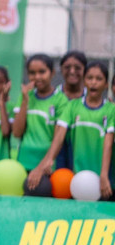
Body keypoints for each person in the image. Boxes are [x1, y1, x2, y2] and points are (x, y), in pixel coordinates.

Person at [37, 60, 113, 196]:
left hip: (103, 179)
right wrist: (49, 159)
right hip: (77, 178)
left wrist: (104, 175)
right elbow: (60, 134)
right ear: (84, 81)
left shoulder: (111, 109)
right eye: (89, 78)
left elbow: (108, 142)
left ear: (106, 84)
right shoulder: (72, 106)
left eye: (99, 79)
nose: (94, 82)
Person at [13, 54, 60, 195]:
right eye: (32, 73)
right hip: (24, 163)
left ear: (52, 73)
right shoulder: (25, 96)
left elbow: (59, 138)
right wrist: (25, 101)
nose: (37, 77)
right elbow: (16, 132)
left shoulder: (61, 100)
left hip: (47, 166)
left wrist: (42, 166)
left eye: (42, 72)